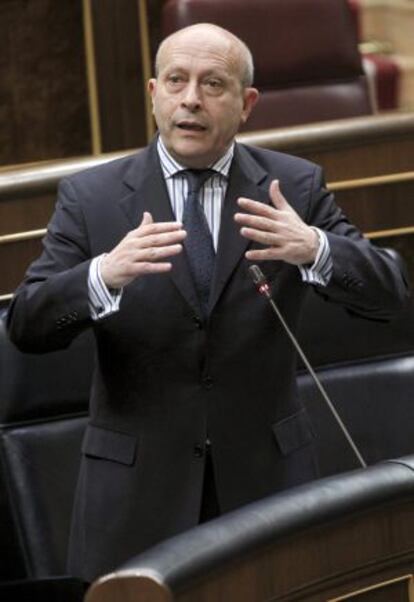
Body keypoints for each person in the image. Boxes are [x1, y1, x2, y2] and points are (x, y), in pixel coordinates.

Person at [7, 23, 408, 582]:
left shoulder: (291, 186)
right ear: (153, 95)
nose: (191, 99)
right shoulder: (91, 197)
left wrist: (314, 247)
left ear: (246, 104)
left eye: (213, 84)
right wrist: (100, 276)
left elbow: (392, 295)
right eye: (176, 81)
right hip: (134, 496)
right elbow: (28, 325)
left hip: (267, 486)